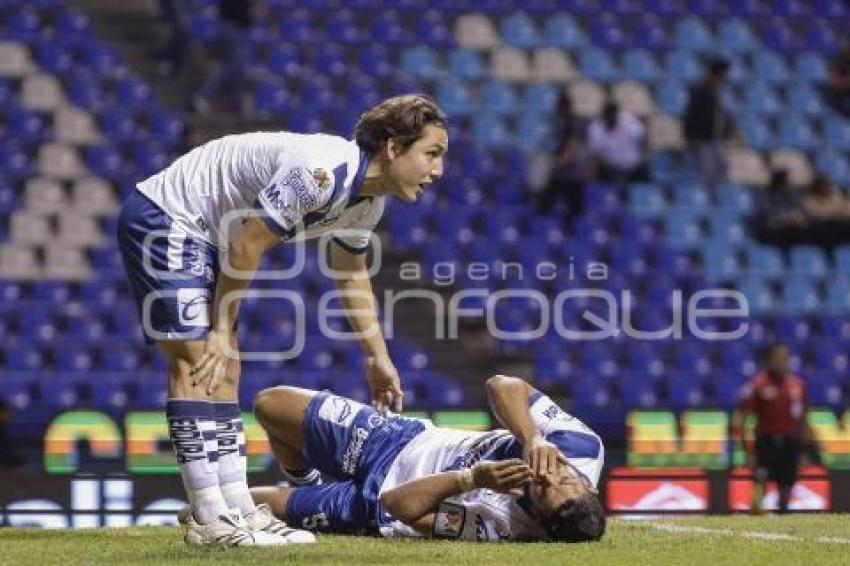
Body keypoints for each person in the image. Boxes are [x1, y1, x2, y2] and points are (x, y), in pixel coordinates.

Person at [117, 94, 448, 546]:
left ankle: (237, 509)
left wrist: (377, 357)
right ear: (393, 148)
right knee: (197, 360)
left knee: (226, 366)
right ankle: (210, 519)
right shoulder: (320, 174)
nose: (438, 170)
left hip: (207, 234)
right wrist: (218, 328)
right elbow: (248, 246)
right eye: (431, 154)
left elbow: (350, 274)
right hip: (169, 216)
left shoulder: (367, 203)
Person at [249, 375, 606, 542]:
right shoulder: (582, 445)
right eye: (566, 478)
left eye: (543, 490)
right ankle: (304, 483)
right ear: (589, 484)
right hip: (395, 439)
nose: (546, 474)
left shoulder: (501, 527)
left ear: (540, 521)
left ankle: (304, 493)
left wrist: (473, 479)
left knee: (248, 507)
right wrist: (532, 437)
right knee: (270, 404)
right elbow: (501, 385)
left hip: (370, 507)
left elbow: (398, 504)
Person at [739, 343, 815, 514]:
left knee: (787, 487)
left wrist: (804, 450)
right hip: (766, 444)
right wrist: (748, 452)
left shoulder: (797, 385)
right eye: (778, 358)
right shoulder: (759, 385)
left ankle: (784, 518)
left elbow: (803, 419)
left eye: (785, 358)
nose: (782, 362)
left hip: (790, 444)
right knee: (760, 484)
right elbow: (744, 419)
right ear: (770, 360)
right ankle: (755, 518)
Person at [535, 90, 591, 224]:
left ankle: (575, 232)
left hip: (573, 173)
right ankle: (543, 226)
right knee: (545, 204)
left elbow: (573, 142)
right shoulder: (559, 122)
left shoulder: (574, 122)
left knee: (576, 210)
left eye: (559, 106)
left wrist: (563, 158)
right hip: (560, 173)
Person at [683, 57, 734, 188]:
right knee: (708, 170)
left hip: (718, 136)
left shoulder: (721, 91)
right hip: (704, 138)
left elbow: (723, 114)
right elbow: (690, 115)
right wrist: (690, 136)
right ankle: (708, 198)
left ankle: (722, 197)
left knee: (724, 167)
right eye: (721, 75)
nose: (723, 78)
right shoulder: (700, 90)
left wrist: (729, 131)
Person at [587, 102, 649, 184]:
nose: (611, 120)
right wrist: (592, 177)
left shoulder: (628, 120)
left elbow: (644, 135)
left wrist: (645, 154)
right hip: (612, 169)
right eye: (609, 118)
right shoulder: (596, 128)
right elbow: (595, 155)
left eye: (613, 117)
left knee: (644, 178)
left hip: (635, 166)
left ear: (617, 115)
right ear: (604, 116)